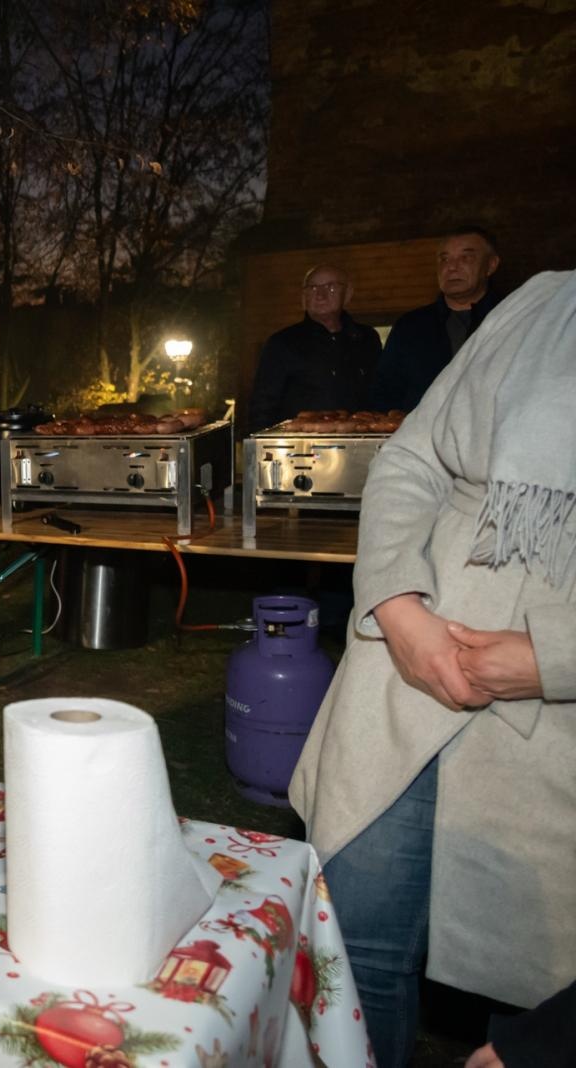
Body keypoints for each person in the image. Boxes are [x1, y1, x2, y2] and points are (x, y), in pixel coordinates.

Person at [290, 270, 576, 1067]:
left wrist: (553, 657)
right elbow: (411, 458)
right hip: (405, 676)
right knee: (353, 949)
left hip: (553, 726)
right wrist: (396, 607)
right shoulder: (539, 301)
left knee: (532, 1004)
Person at [372, 225, 504, 412]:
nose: (451, 267)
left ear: (490, 265)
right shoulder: (411, 327)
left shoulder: (512, 320)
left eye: (466, 257)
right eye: (444, 259)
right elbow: (385, 391)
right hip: (423, 438)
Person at [246, 264, 383, 433]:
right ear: (304, 298)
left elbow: (381, 394)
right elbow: (262, 407)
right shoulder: (282, 343)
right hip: (300, 451)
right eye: (313, 288)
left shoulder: (367, 339)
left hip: (360, 446)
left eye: (331, 287)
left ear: (347, 294)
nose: (320, 295)